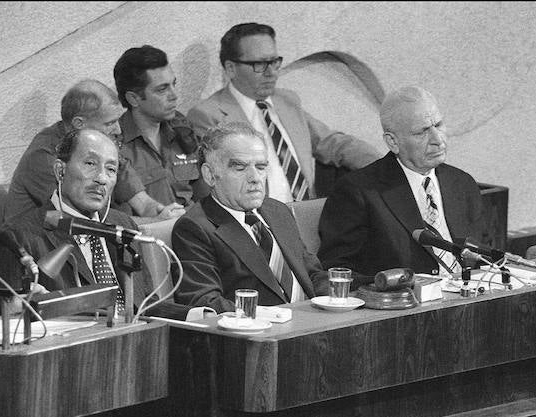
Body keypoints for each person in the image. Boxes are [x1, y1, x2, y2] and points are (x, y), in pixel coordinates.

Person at [0, 128, 203, 321]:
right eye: (90, 164)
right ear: (60, 171)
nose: (102, 179)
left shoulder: (122, 225)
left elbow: (146, 306)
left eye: (111, 169)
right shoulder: (20, 236)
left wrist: (203, 316)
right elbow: (9, 318)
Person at [187, 22, 382, 204]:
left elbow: (333, 143)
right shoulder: (209, 115)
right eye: (260, 64)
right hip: (259, 221)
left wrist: (386, 165)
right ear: (231, 68)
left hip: (307, 212)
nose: (271, 72)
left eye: (274, 62)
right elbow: (216, 185)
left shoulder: (287, 101)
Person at [317, 86, 492, 283]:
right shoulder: (358, 191)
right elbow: (339, 272)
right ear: (393, 142)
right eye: (422, 132)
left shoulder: (462, 183)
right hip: (405, 305)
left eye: (439, 125)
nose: (437, 139)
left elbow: (484, 258)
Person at [172, 122, 330, 312]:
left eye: (261, 167)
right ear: (210, 175)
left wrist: (334, 299)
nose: (255, 178)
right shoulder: (195, 227)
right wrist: (273, 316)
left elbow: (312, 273)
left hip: (314, 323)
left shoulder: (277, 211)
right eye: (240, 168)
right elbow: (204, 302)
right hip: (261, 334)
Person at [5, 79, 178, 223]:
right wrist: (154, 222)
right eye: (109, 123)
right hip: (39, 247)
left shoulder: (102, 147)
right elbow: (85, 219)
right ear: (79, 124)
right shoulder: (44, 156)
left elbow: (143, 204)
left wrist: (163, 212)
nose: (118, 130)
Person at [113, 45, 207, 220]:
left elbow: (208, 197)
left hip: (197, 234)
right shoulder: (114, 146)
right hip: (148, 239)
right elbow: (111, 220)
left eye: (173, 84)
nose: (174, 95)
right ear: (133, 98)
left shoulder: (183, 131)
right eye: (162, 89)